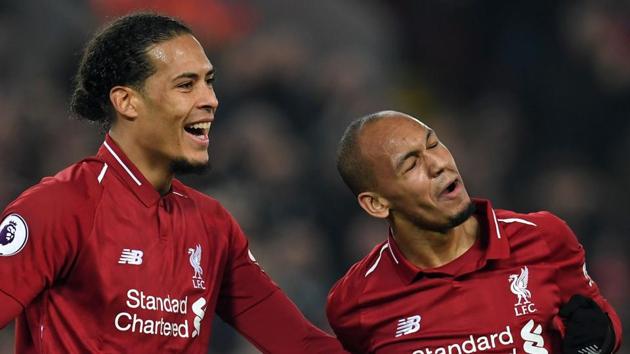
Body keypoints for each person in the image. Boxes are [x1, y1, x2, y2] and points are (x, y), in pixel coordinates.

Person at [0, 13, 348, 354]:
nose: (210, 100)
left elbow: (299, 342)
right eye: (186, 85)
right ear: (127, 101)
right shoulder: (59, 208)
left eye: (208, 82)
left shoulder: (212, 226)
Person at [327, 111, 622, 354]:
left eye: (433, 144)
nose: (438, 164)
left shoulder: (544, 237)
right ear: (377, 203)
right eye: (412, 164)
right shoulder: (354, 302)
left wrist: (600, 340)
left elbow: (599, 323)